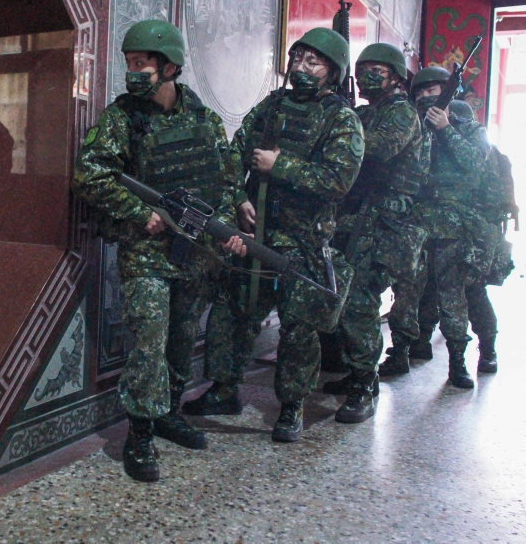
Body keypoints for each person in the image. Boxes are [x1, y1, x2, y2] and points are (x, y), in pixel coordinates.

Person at [73, 19, 246, 483]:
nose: (133, 72)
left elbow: (225, 180)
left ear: (169, 66)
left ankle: (168, 412)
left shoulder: (204, 119)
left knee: (181, 338)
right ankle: (140, 432)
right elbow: (90, 174)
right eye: (129, 63)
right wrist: (138, 212)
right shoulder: (122, 117)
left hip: (195, 253)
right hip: (147, 253)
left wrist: (227, 228)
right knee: (148, 342)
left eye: (142, 64)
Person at [183, 28, 362, 443]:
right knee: (232, 309)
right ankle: (224, 389)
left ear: (332, 72)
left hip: (303, 242)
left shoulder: (342, 120)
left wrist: (280, 166)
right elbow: (234, 153)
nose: (300, 67)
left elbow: (338, 180)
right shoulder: (272, 106)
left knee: (298, 327)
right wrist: (237, 197)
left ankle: (292, 405)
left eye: (312, 61)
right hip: (254, 230)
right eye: (297, 58)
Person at [319, 44, 425, 423]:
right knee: (346, 295)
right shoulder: (366, 112)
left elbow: (376, 149)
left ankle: (365, 383)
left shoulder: (402, 114)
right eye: (361, 69)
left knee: (360, 301)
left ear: (396, 76)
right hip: (357, 216)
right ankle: (357, 373)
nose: (366, 75)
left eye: (375, 69)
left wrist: (341, 126)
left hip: (385, 221)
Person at [391, 68, 493, 389]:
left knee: (454, 298)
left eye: (433, 90)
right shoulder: (412, 129)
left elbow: (477, 167)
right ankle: (400, 353)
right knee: (406, 294)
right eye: (419, 93)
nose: (425, 97)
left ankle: (458, 361)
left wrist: (445, 129)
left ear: (448, 93)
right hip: (416, 225)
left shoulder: (470, 129)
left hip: (454, 228)